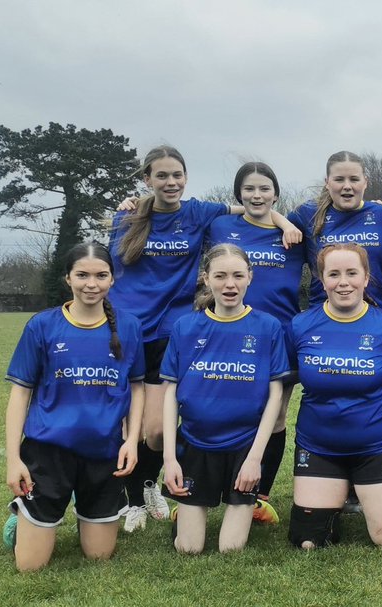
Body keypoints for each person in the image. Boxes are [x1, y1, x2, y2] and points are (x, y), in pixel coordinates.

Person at [109, 146, 300, 532]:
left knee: (260, 417)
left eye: (176, 175)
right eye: (161, 176)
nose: (170, 182)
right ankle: (137, 493)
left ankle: (246, 492)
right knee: (142, 427)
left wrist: (282, 220)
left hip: (178, 330)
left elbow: (254, 208)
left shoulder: (197, 212)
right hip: (132, 329)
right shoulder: (126, 218)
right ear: (147, 179)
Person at [2, 242, 145, 571]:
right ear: (68, 278)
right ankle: (20, 521)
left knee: (98, 556)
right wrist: (13, 460)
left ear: (112, 280)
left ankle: (83, 507)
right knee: (29, 566)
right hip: (48, 452)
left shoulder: (130, 326)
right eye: (82, 275)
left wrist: (130, 440)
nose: (91, 284)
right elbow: (20, 395)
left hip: (104, 451)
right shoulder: (43, 326)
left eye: (100, 275)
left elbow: (136, 387)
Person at [160, 244, 289, 553]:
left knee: (231, 548)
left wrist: (255, 459)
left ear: (249, 278)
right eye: (220, 276)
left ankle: (250, 501)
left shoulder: (268, 327)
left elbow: (275, 395)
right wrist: (170, 458)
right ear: (206, 278)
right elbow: (170, 394)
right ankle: (188, 507)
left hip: (244, 447)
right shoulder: (186, 327)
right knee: (188, 548)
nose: (229, 285)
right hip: (195, 443)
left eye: (237, 276)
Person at [288, 243, 382, 549]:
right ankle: (336, 499)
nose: (343, 282)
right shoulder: (300, 325)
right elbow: (283, 386)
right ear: (321, 279)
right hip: (318, 447)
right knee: (308, 542)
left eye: (351, 273)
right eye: (334, 274)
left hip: (377, 446)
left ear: (366, 277)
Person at [205, 162, 307, 524]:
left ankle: (258, 494)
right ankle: (213, 485)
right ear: (238, 195)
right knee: (231, 409)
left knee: (276, 415)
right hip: (229, 334)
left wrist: (285, 223)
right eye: (249, 189)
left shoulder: (297, 235)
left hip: (280, 334)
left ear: (275, 194)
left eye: (264, 189)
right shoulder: (221, 226)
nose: (257, 195)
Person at [290, 151, 382, 312]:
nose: (347, 186)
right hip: (322, 318)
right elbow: (263, 216)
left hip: (378, 316)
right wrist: (284, 224)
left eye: (354, 179)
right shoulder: (307, 214)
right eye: (339, 179)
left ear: (365, 182)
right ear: (327, 182)